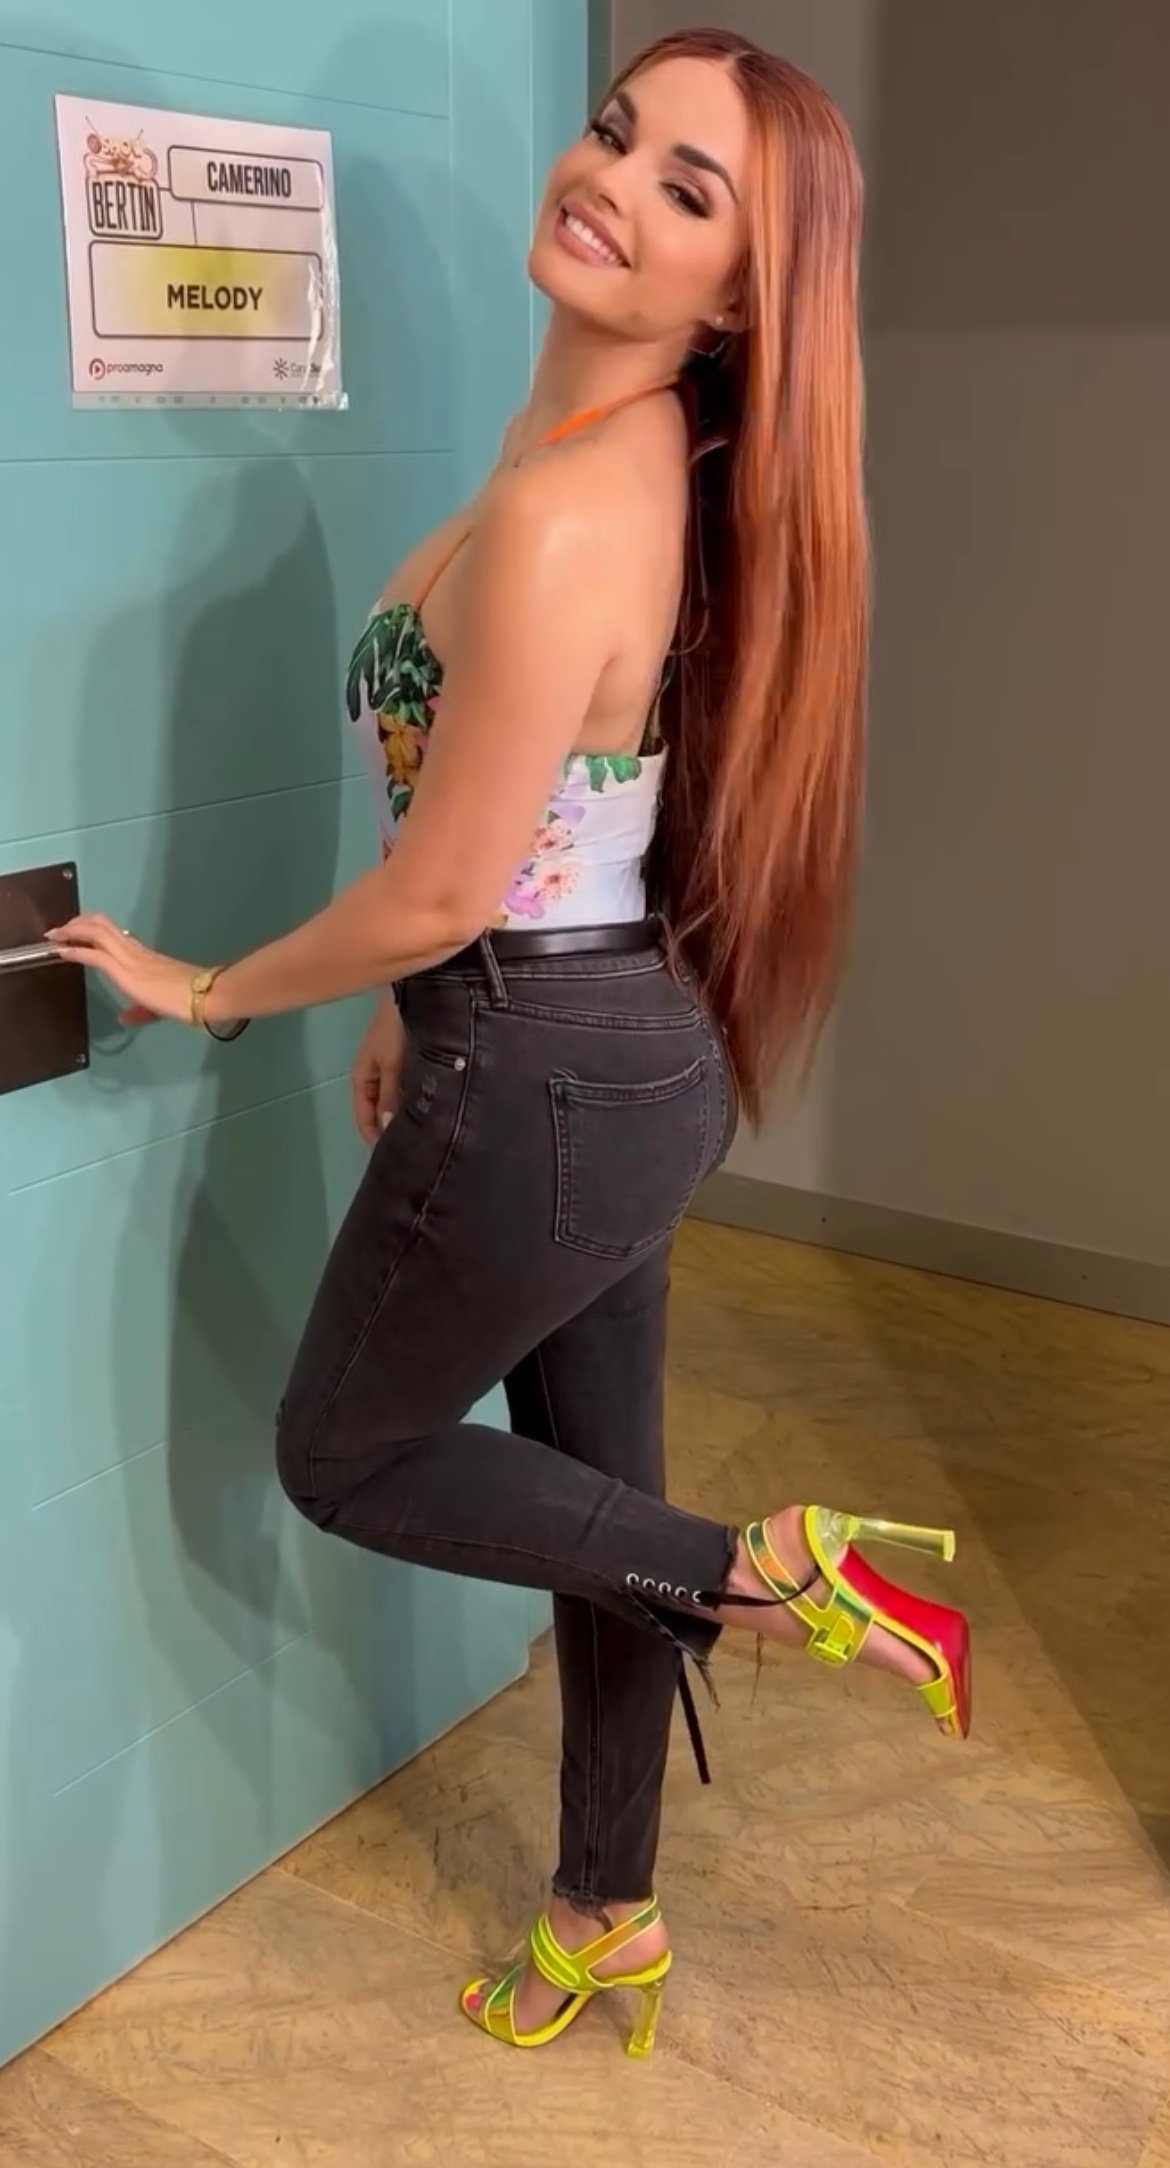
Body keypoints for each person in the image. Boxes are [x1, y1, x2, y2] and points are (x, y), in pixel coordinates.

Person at [50, 27, 970, 2059]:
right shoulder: (594, 459)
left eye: (686, 191)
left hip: (545, 1061)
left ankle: (768, 1574)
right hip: (609, 1048)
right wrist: (408, 993)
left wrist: (208, 985)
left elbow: (444, 886)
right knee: (588, 1507)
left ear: (741, 294)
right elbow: (531, 811)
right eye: (616, 133)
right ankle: (605, 1910)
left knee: (343, 1452)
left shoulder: (570, 509)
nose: (610, 183)